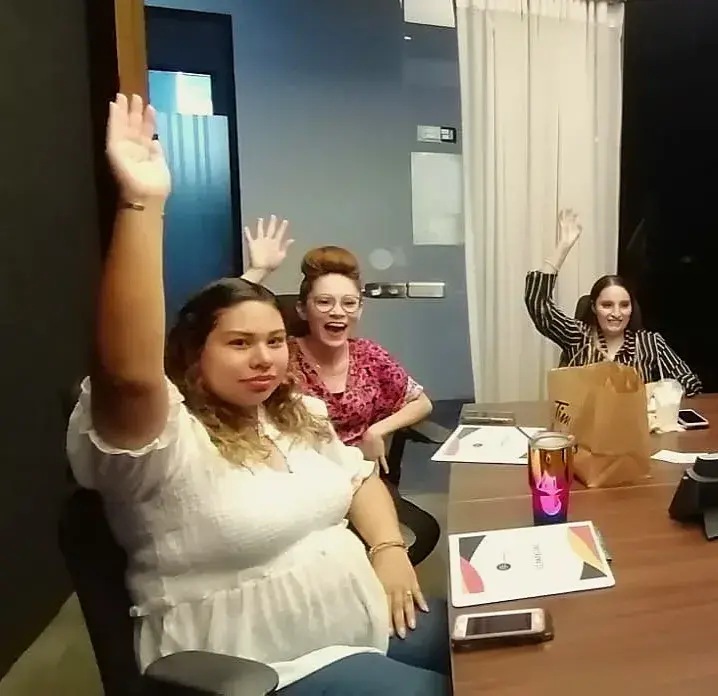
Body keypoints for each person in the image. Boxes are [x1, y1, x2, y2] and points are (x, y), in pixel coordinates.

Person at [68, 94, 449, 695]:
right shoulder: (167, 441)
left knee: (491, 643)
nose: (265, 357)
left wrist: (387, 548)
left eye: (274, 341)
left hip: (364, 617)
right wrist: (142, 202)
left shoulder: (293, 413)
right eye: (240, 343)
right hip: (258, 664)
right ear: (194, 354)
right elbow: (130, 376)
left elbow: (360, 479)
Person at [241, 234, 433, 477]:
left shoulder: (369, 356)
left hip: (360, 479)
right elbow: (212, 326)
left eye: (349, 303)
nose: (338, 312)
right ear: (302, 309)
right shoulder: (281, 356)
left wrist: (376, 431)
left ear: (360, 310)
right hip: (295, 477)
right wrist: (256, 271)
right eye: (324, 302)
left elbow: (421, 402)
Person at [525, 209, 703, 396]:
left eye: (624, 305)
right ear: (594, 307)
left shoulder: (650, 343)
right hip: (584, 423)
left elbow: (691, 383)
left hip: (634, 424)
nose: (616, 313)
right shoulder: (578, 336)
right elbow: (539, 304)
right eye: (607, 305)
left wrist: (657, 390)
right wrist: (563, 247)